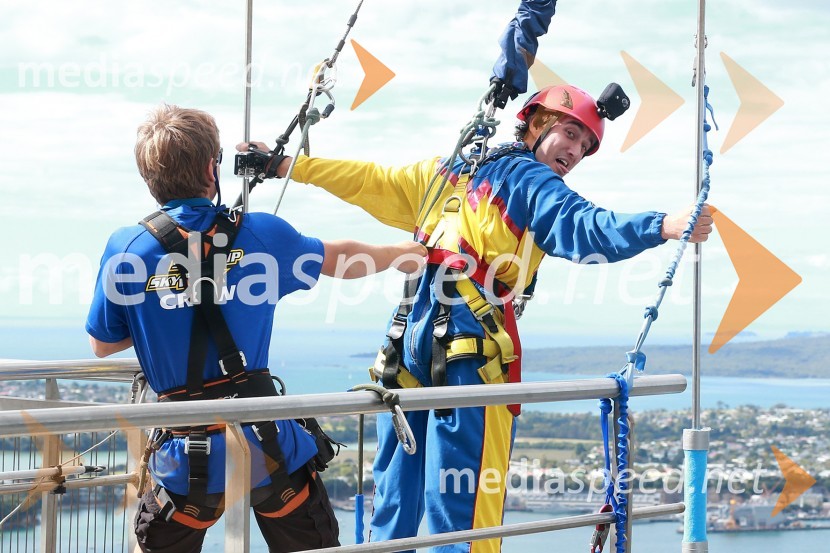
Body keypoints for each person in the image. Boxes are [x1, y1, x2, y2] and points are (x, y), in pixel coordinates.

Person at [240, 83, 713, 552]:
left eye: (585, 145)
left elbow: (366, 180)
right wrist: (663, 225)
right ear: (537, 123)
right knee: (465, 513)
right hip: (472, 357)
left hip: (406, 348)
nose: (576, 150)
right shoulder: (529, 183)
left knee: (394, 500)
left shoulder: (448, 173)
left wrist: (284, 166)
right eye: (569, 133)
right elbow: (586, 227)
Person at [86, 104, 426, 553]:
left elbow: (103, 343)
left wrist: (167, 308)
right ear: (212, 167)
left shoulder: (125, 247)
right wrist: (404, 253)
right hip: (266, 445)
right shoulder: (261, 234)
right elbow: (339, 258)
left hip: (185, 459)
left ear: (150, 178)